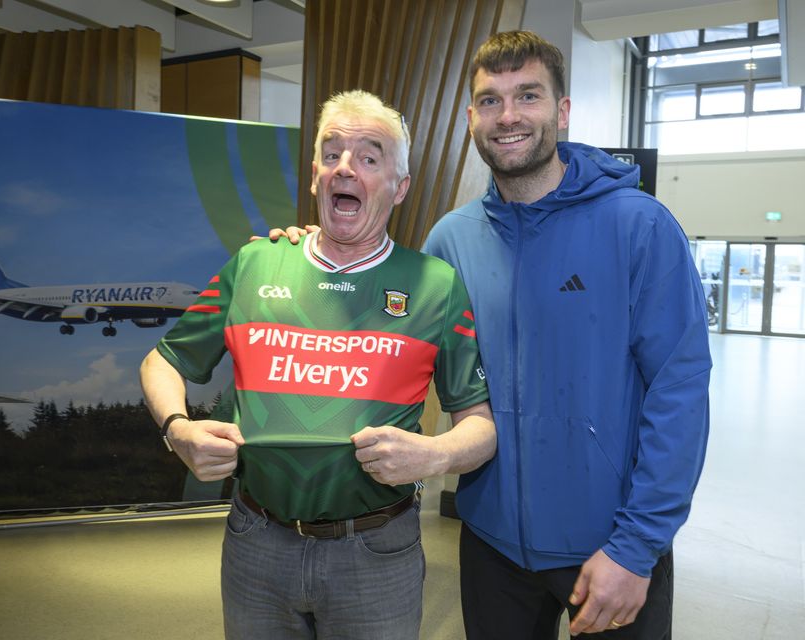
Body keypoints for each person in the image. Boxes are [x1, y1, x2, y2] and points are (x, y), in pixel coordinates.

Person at [271, 30, 711, 640]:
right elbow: (381, 338)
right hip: (490, 546)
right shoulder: (451, 240)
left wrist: (638, 547)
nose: (508, 116)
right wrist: (308, 253)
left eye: (527, 96)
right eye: (489, 100)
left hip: (610, 546)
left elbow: (679, 394)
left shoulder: (639, 227)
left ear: (560, 110)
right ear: (471, 117)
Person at [139, 89, 495, 640]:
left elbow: (482, 426)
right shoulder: (255, 264)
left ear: (399, 188)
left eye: (369, 157)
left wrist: (435, 454)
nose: (345, 168)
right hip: (256, 543)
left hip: (377, 555)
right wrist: (177, 429)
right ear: (314, 178)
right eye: (332, 155)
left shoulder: (435, 286)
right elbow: (162, 362)